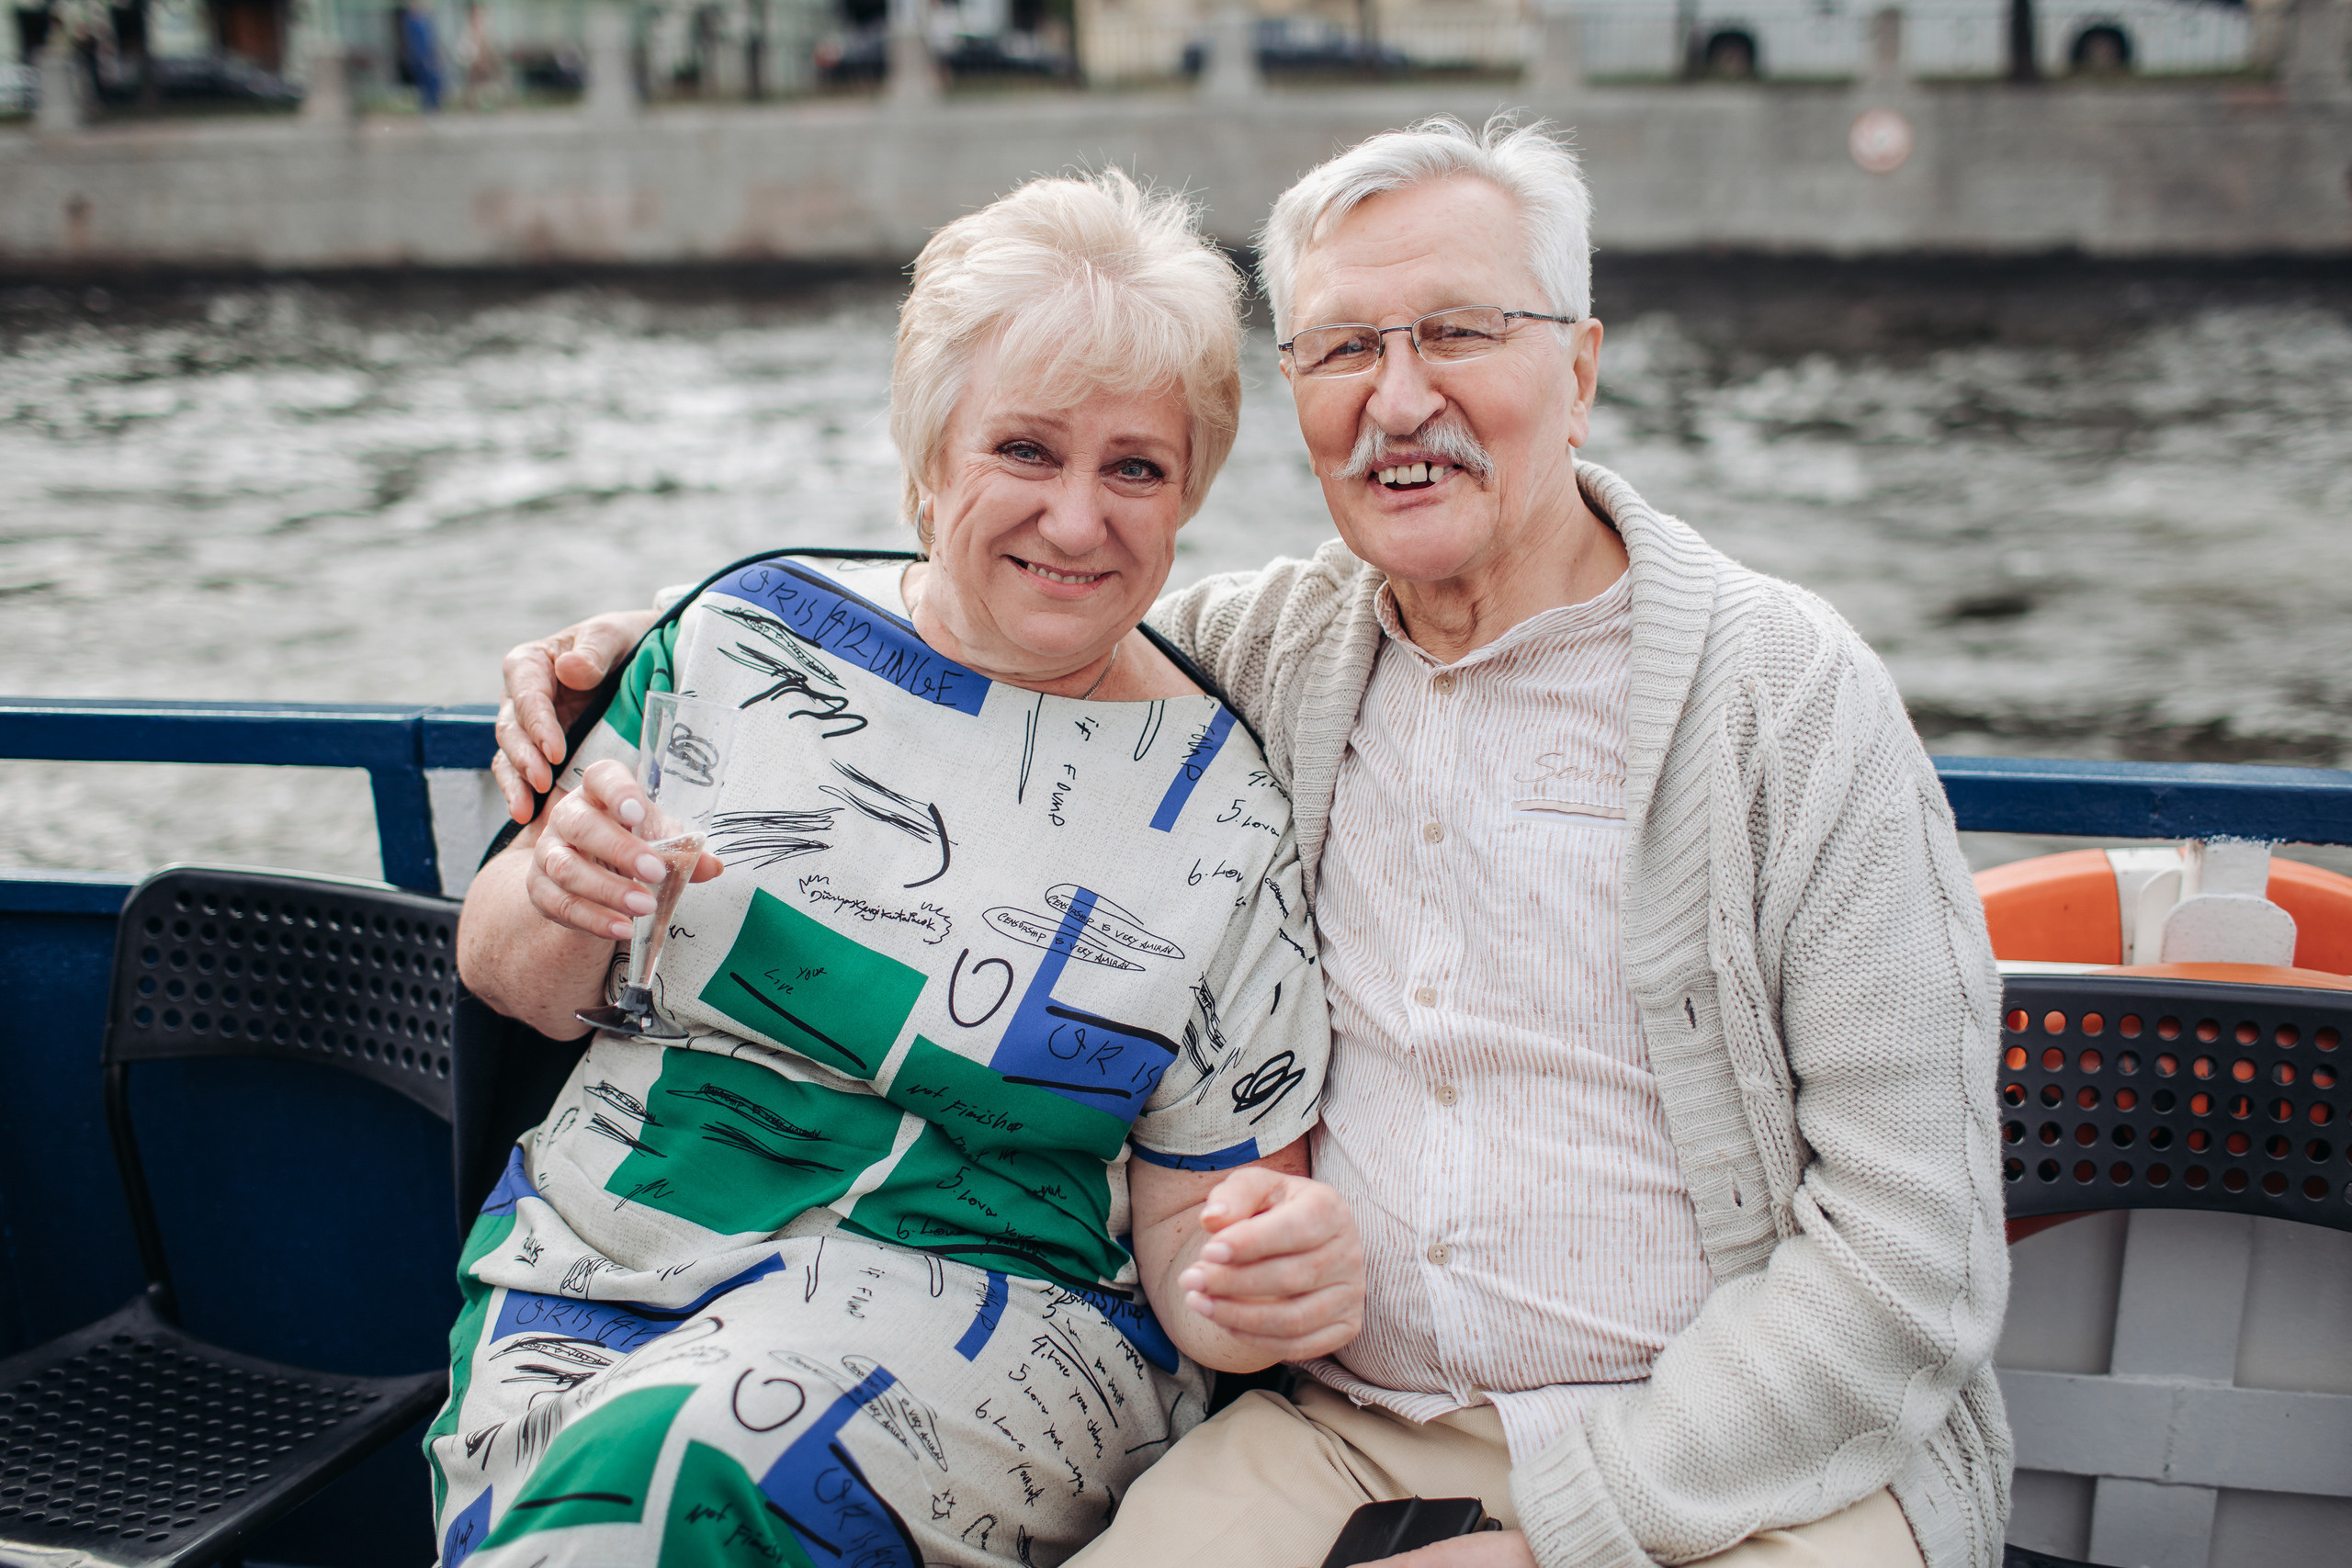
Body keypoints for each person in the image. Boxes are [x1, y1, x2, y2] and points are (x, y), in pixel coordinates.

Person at [493, 117, 2012, 1568]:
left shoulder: (1786, 700)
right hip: (1348, 1427)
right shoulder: (1269, 656)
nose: (1399, 397)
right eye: (1346, 347)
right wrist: (637, 656)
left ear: (1582, 367)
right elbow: (997, 642)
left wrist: (1564, 1532)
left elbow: (1911, 1270)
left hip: (1746, 1469)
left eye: (1462, 332)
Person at [435, 169, 1365, 1568]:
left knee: (676, 1473)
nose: (1077, 518)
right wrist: (562, 904)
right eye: (1027, 452)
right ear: (931, 459)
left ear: (1189, 499)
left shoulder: (1221, 807)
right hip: (600, 1268)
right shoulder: (745, 639)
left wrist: (1254, 1284)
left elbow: (1200, 1229)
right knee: (598, 1492)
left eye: (1135, 468)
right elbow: (507, 979)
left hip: (990, 1323)